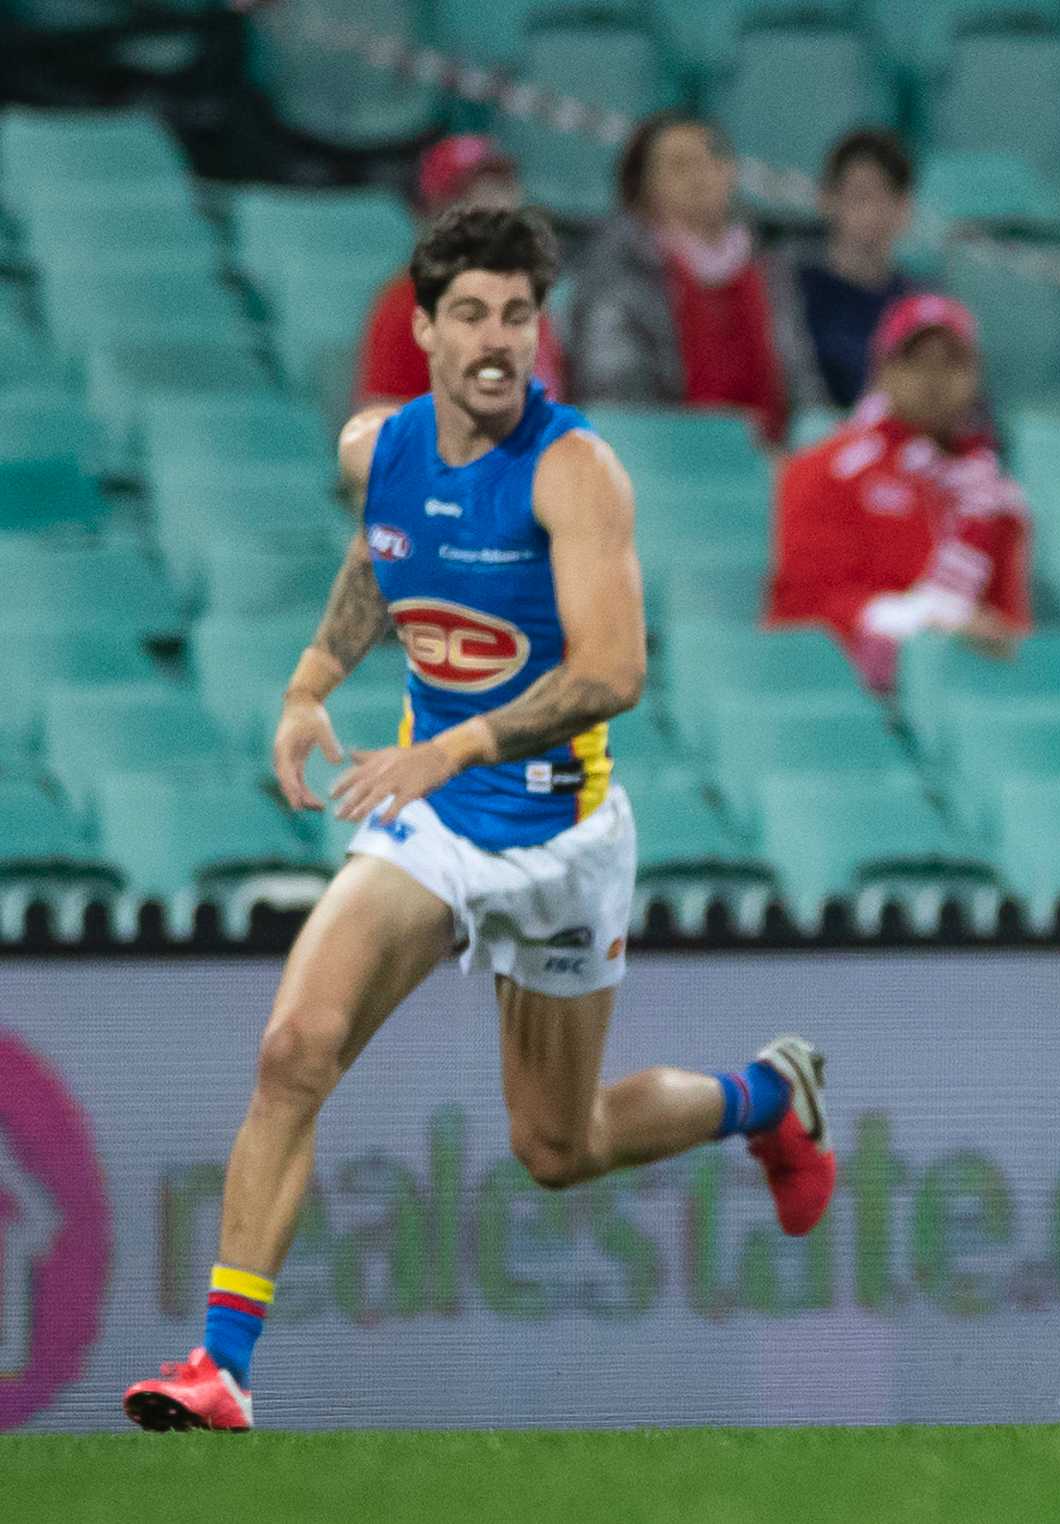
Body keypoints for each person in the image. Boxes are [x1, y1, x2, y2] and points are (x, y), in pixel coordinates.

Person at [121, 207, 837, 1433]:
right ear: (425, 330)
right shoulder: (381, 447)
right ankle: (222, 1367)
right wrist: (307, 684)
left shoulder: (574, 471)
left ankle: (769, 1099)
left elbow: (614, 673)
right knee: (296, 1050)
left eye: (516, 314)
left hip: (563, 843)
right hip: (433, 826)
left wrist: (448, 740)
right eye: (470, 315)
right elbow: (381, 559)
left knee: (556, 1150)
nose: (496, 340)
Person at [764, 292, 1031, 693]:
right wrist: (923, 617)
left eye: (951, 363)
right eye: (916, 361)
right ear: (884, 370)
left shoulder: (993, 494)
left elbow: (1006, 625)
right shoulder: (828, 468)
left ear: (974, 377)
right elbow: (805, 601)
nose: (933, 379)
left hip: (953, 695)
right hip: (828, 685)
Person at [565, 111, 821, 443]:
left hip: (768, 464)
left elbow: (804, 390)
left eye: (713, 159)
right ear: (645, 188)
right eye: (679, 165)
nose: (701, 175)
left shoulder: (771, 273)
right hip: (668, 469)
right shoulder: (616, 276)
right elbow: (618, 405)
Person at [354, 134, 565, 405]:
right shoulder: (408, 303)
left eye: (503, 190)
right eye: (477, 197)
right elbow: (382, 426)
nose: (497, 208)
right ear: (440, 213)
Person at [774, 127, 920, 409]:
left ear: (906, 209)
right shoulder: (790, 286)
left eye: (889, 197)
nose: (874, 211)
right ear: (827, 200)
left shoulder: (917, 305)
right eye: (860, 195)